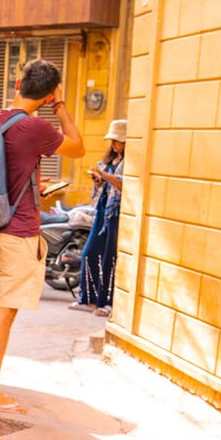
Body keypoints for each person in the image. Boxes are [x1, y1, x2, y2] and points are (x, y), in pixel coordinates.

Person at [0, 59, 84, 411]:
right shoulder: (35, 128)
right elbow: (77, 147)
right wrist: (61, 105)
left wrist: (36, 184)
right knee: (3, 312)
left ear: (18, 83)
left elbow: (6, 171)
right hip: (17, 232)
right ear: (49, 93)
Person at [72, 120, 126, 317]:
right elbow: (104, 189)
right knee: (90, 252)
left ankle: (107, 303)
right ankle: (88, 299)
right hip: (104, 209)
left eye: (117, 140)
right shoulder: (112, 160)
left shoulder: (127, 163)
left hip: (117, 213)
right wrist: (98, 180)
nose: (114, 144)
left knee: (109, 258)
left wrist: (107, 176)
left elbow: (124, 185)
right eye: (112, 140)